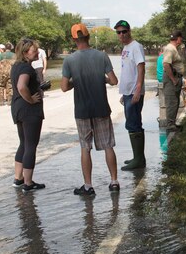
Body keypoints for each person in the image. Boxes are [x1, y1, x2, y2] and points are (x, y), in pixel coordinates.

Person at [61, 23, 120, 195]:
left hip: (82, 111)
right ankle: (114, 182)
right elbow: (114, 81)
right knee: (108, 145)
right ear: (87, 36)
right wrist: (103, 79)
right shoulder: (102, 56)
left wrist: (75, 82)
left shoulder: (69, 60)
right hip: (101, 108)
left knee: (85, 148)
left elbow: (64, 87)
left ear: (74, 39)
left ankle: (88, 186)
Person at [11, 38, 45, 192]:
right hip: (29, 110)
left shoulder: (16, 66)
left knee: (23, 143)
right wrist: (31, 99)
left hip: (18, 108)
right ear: (25, 53)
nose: (37, 52)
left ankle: (18, 178)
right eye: (34, 50)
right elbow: (21, 86)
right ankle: (28, 183)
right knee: (31, 145)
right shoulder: (26, 68)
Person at [114, 19, 147, 171]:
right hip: (128, 92)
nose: (121, 34)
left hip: (135, 92)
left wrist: (138, 89)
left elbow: (141, 68)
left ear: (129, 31)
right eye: (118, 32)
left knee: (133, 124)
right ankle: (137, 157)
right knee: (132, 123)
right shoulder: (126, 48)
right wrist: (125, 92)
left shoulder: (136, 46)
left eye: (124, 31)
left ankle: (139, 160)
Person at [162, 30, 185, 131]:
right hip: (172, 78)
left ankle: (173, 123)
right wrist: (173, 79)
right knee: (171, 101)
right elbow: (166, 64)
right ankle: (170, 125)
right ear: (178, 38)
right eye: (181, 38)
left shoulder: (174, 48)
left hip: (176, 77)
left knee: (175, 101)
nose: (182, 40)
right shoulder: (170, 48)